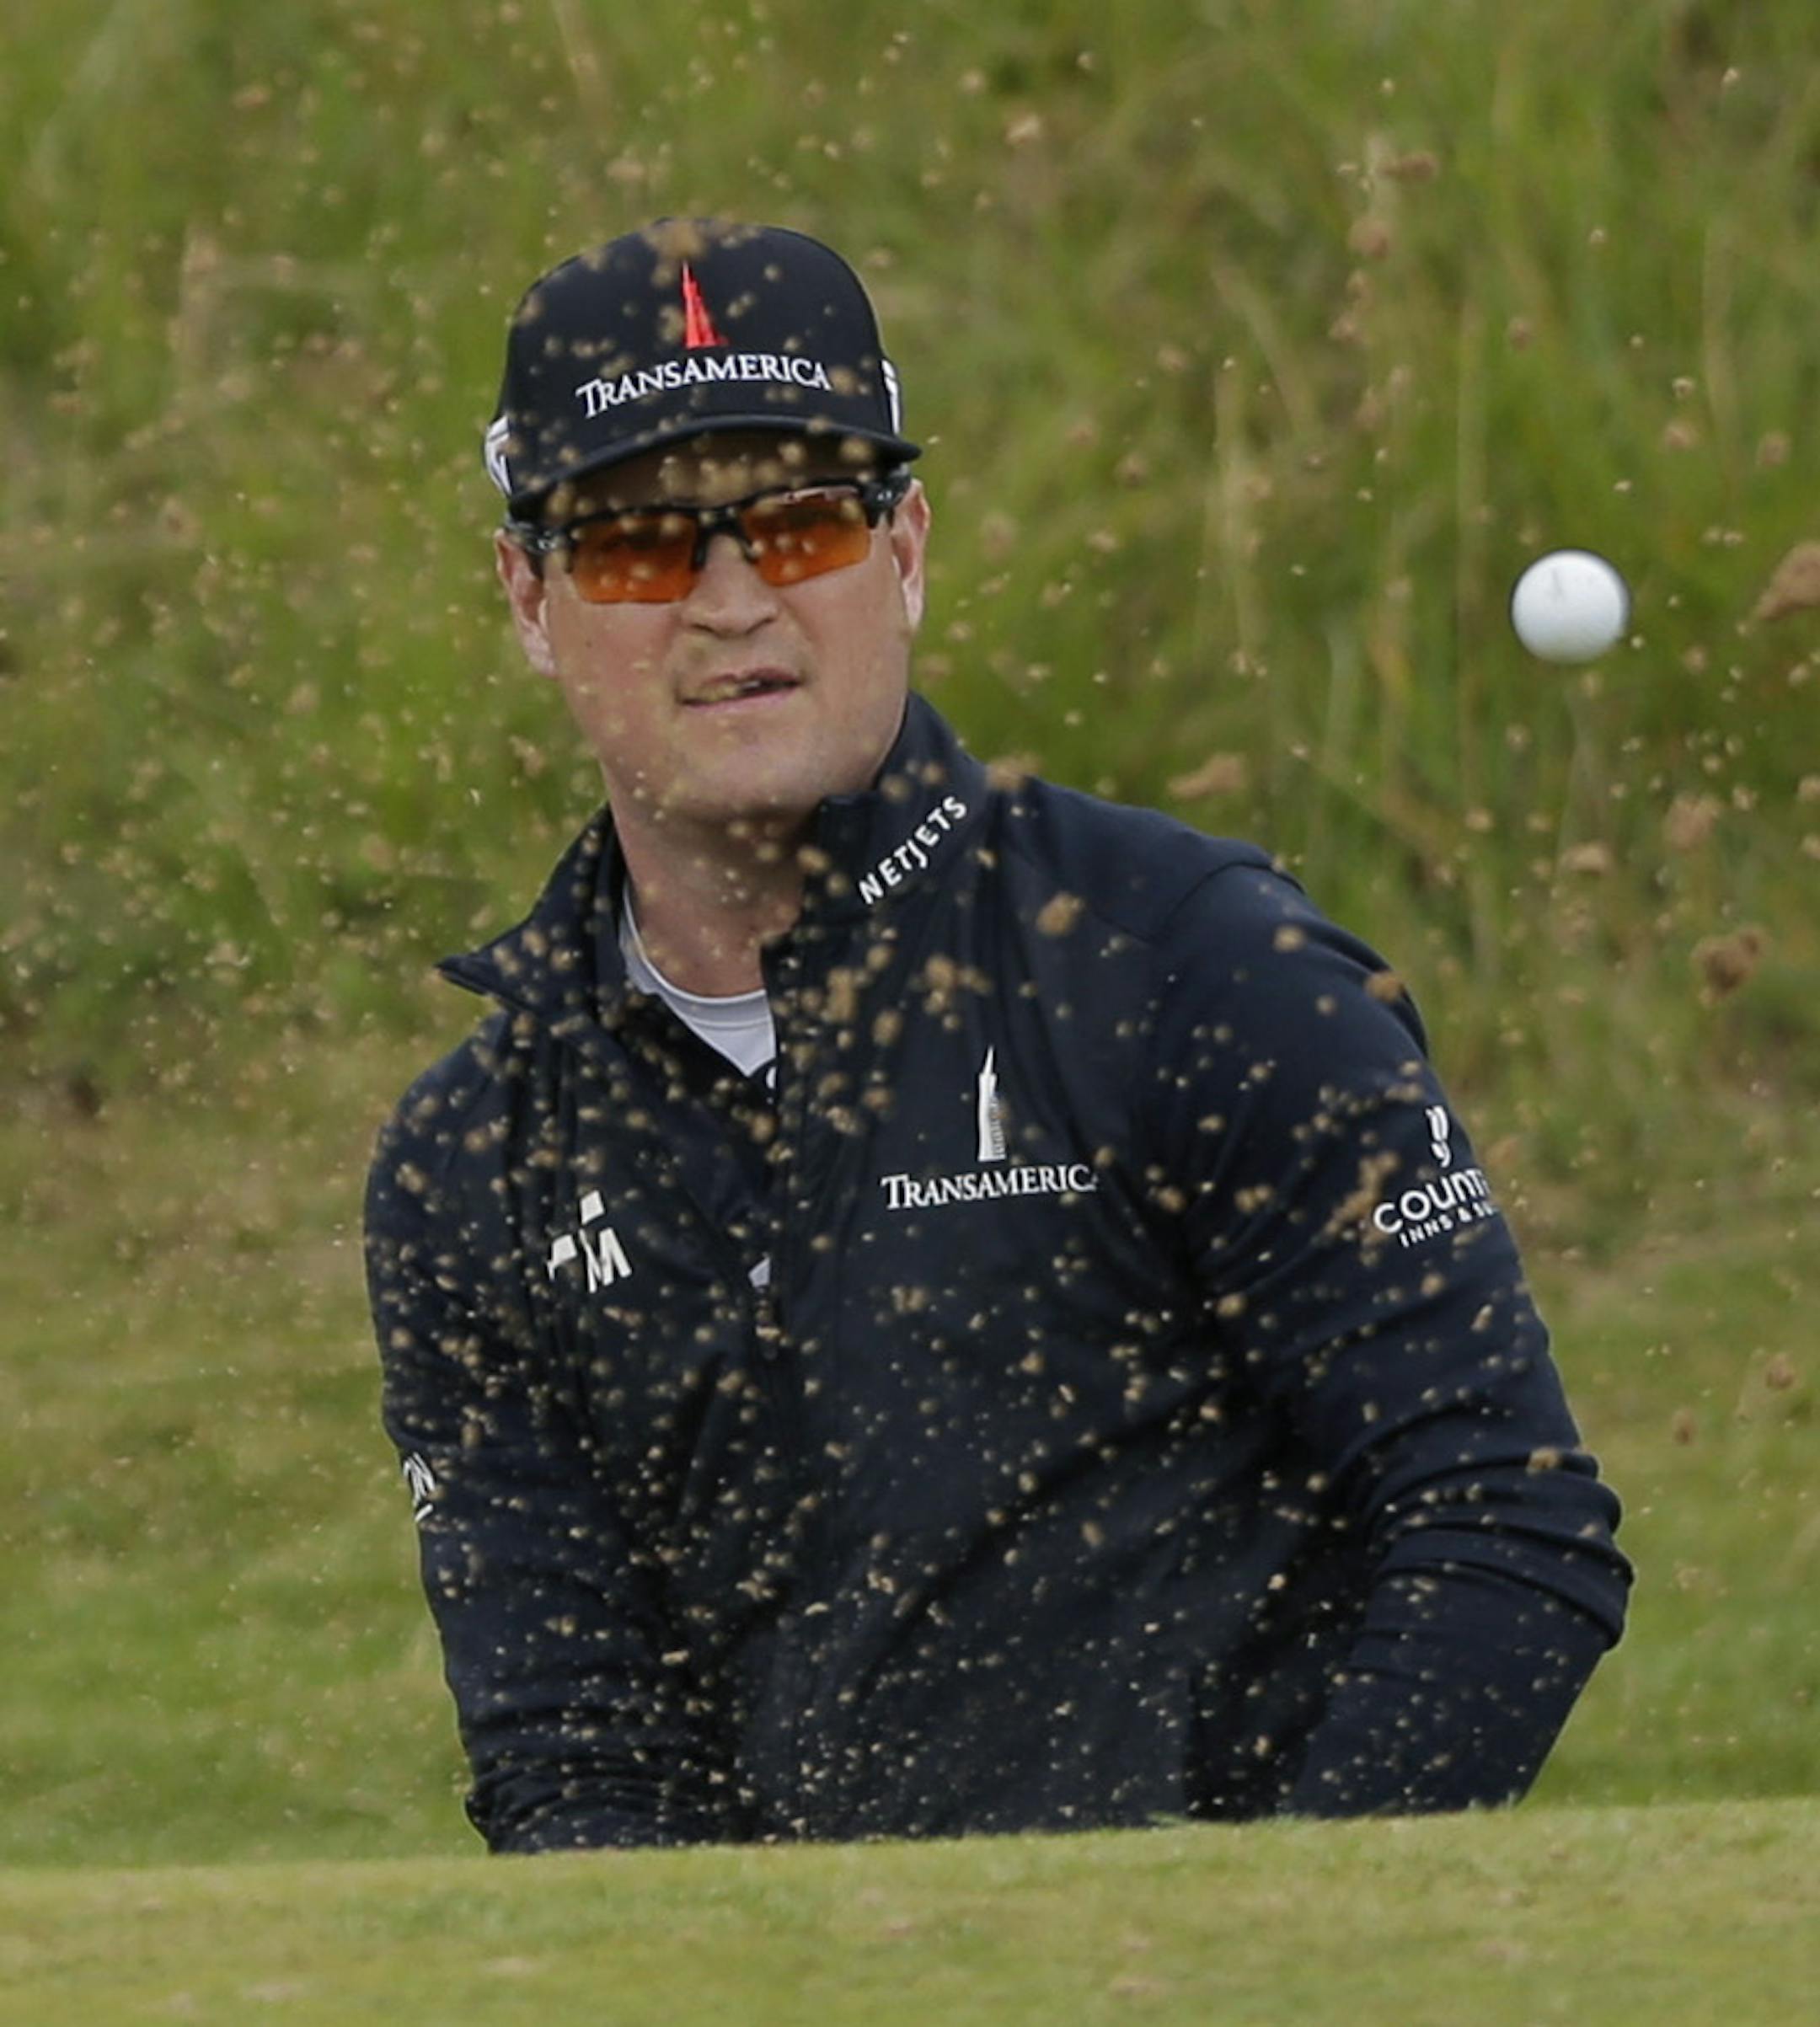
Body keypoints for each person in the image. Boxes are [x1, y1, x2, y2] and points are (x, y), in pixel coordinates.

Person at [365, 217, 1630, 1853]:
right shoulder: (479, 1156)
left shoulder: (1190, 964)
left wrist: (1268, 1938)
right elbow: (575, 1741)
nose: (733, 602)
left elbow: (1500, 1522)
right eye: (637, 549)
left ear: (903, 553)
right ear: (531, 599)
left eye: (802, 522)